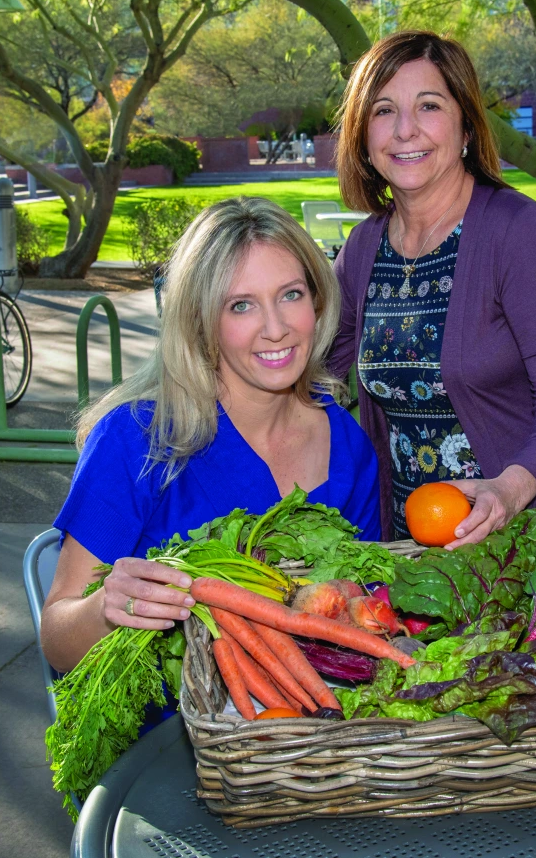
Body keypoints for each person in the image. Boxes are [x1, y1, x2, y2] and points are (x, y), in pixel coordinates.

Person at [42, 197, 380, 673]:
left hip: (312, 720)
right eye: (241, 305)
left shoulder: (346, 444)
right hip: (171, 730)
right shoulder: (135, 441)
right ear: (201, 323)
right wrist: (105, 610)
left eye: (291, 294)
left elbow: (360, 612)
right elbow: (57, 641)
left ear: (318, 300)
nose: (277, 329)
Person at [329, 30, 536, 547]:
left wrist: (510, 492)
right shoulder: (361, 249)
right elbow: (314, 375)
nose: (405, 130)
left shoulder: (518, 232)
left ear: (466, 125)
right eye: (382, 110)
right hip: (414, 543)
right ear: (362, 136)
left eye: (429, 105)